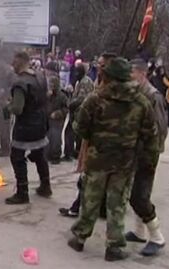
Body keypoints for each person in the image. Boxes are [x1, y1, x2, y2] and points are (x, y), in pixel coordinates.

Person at [67, 58, 158, 261]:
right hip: (125, 161)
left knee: (90, 198)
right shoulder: (141, 101)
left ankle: (79, 238)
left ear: (108, 76)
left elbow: (79, 127)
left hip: (98, 158)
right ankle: (114, 247)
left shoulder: (95, 98)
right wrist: (147, 158)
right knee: (117, 203)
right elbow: (150, 134)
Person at [59, 52, 117, 218]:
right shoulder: (100, 84)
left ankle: (86, 215)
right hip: (95, 141)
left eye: (102, 65)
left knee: (90, 179)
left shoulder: (110, 91)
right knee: (89, 178)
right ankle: (81, 208)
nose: (98, 67)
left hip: (104, 145)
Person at [123, 58, 168, 257]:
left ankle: (157, 237)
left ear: (142, 74)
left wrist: (150, 152)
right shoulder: (137, 93)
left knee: (140, 196)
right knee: (134, 192)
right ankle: (139, 232)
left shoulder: (153, 96)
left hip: (147, 154)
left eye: (132, 73)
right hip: (136, 151)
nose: (129, 77)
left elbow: (160, 128)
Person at [5, 51, 51, 205]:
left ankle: (22, 193)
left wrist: (7, 106)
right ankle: (46, 186)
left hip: (25, 127)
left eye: (14, 62)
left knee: (17, 157)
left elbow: (18, 108)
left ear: (21, 61)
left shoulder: (20, 83)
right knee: (39, 155)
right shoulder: (40, 76)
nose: (12, 65)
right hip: (41, 123)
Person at [63, 63, 94, 161]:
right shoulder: (80, 81)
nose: (75, 74)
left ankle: (70, 153)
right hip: (78, 110)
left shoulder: (85, 82)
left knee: (70, 132)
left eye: (77, 72)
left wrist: (70, 104)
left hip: (79, 110)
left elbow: (82, 98)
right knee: (76, 133)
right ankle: (75, 152)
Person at [45, 61, 68, 165]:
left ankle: (55, 156)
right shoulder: (47, 95)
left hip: (57, 120)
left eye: (52, 84)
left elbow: (66, 108)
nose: (51, 86)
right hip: (48, 120)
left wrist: (58, 113)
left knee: (56, 138)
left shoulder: (62, 96)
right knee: (47, 137)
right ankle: (46, 155)